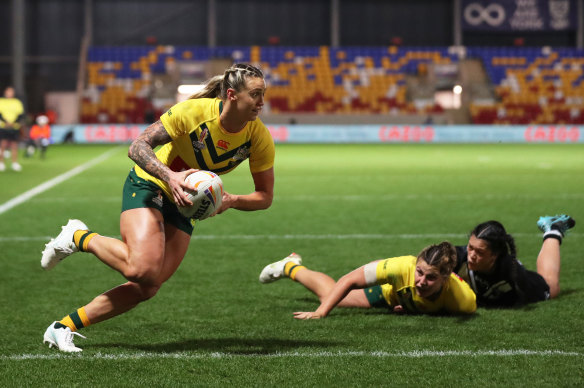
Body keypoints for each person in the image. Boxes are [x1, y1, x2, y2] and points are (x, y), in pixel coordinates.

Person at [41, 63, 274, 352]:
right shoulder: (194, 113)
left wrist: (233, 200)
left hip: (186, 204)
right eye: (255, 94)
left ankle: (62, 327)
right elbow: (138, 146)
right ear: (232, 95)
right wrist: (170, 176)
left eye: (263, 93)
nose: (262, 102)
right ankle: (79, 237)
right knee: (141, 269)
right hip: (150, 183)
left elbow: (265, 196)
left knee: (148, 286)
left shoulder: (258, 137)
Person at [259, 241, 477, 319]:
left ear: (446, 278)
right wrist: (320, 312)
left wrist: (413, 307)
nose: (421, 281)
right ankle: (290, 266)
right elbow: (349, 280)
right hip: (391, 290)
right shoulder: (402, 267)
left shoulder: (463, 302)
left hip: (401, 299)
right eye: (419, 272)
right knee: (332, 296)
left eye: (431, 278)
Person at [454, 214, 576, 307]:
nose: (471, 255)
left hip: (530, 285)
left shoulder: (513, 277)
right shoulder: (456, 257)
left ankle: (553, 230)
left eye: (480, 252)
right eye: (470, 247)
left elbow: (499, 304)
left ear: (494, 255)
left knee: (551, 286)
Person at [0, 86, 25, 171]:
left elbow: (20, 114)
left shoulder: (17, 102)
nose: (10, 93)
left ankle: (14, 163)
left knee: (14, 145)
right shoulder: (1, 101)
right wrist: (6, 122)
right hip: (4, 126)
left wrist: (13, 122)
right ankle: (1, 163)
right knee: (3, 145)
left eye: (11, 92)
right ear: (5, 92)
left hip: (14, 126)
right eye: (8, 91)